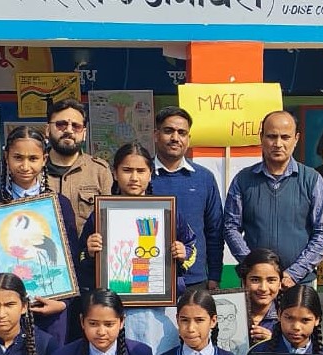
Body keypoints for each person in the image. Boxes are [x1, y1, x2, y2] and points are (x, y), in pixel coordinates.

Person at [0, 126, 80, 344]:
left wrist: (64, 303)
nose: (25, 166)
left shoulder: (59, 204)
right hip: (4, 314)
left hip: (51, 311)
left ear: (44, 159)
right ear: (6, 157)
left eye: (33, 158)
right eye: (18, 157)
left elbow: (73, 260)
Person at [224, 111, 323, 288]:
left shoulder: (311, 179)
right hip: (257, 285)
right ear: (261, 138)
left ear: (296, 139)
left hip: (299, 283)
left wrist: (295, 273)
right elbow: (231, 227)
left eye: (285, 137)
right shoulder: (243, 180)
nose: (278, 144)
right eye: (271, 136)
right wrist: (255, 267)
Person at [81, 142, 197, 294]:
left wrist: (183, 252)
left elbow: (191, 245)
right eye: (127, 170)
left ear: (150, 174)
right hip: (111, 301)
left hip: (158, 298)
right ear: (115, 173)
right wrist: (90, 252)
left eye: (141, 171)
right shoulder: (101, 215)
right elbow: (80, 256)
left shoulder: (166, 212)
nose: (134, 178)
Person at [150, 106, 225, 291]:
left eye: (182, 133)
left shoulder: (204, 178)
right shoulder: (141, 176)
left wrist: (214, 275)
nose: (175, 138)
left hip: (194, 279)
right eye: (168, 131)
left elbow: (215, 230)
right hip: (148, 277)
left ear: (188, 139)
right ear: (156, 135)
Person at [43, 99, 113, 234]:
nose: (69, 130)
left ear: (84, 133)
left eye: (76, 126)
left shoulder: (99, 171)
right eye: (61, 124)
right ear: (47, 129)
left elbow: (107, 221)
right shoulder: (34, 170)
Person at [236, 248, 284, 344]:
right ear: (244, 282)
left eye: (271, 280)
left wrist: (273, 343)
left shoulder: (288, 317)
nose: (263, 288)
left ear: (280, 284)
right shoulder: (231, 313)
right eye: (255, 280)